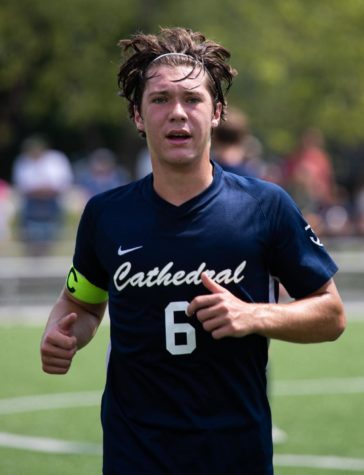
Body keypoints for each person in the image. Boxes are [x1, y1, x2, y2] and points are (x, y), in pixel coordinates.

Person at [40, 27, 346, 474]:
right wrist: (63, 334)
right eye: (160, 100)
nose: (177, 114)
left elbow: (331, 314)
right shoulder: (105, 215)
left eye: (193, 100)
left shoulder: (266, 206)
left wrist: (253, 315)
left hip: (235, 453)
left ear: (217, 112)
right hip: (134, 453)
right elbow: (79, 304)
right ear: (137, 116)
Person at [12, 135, 73, 255]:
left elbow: (63, 182)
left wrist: (44, 189)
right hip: (32, 202)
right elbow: (22, 186)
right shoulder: (22, 161)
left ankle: (53, 251)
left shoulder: (57, 159)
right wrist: (41, 189)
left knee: (55, 232)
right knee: (29, 233)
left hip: (53, 201)